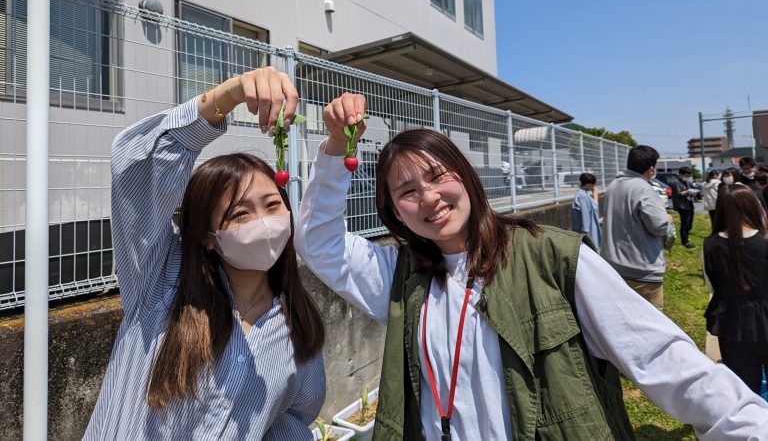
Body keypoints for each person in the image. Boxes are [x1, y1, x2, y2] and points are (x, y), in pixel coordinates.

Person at [295, 93, 768, 441]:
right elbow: (318, 242)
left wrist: (745, 425)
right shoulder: (400, 277)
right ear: (396, 212)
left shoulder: (553, 257)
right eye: (407, 191)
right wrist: (336, 148)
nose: (429, 198)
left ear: (467, 176)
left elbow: (662, 357)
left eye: (438, 176)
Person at [83, 68, 326, 440]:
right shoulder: (161, 284)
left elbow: (288, 423)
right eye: (240, 214)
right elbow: (137, 164)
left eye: (273, 205)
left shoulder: (297, 326)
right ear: (209, 237)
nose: (264, 224)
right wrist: (229, 95)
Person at [704, 183, 768, 395]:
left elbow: (711, 286)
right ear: (753, 207)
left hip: (731, 323)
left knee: (743, 391)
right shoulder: (764, 241)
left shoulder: (710, 245)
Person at [601, 145, 673, 310]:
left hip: (614, 268)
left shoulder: (614, 185)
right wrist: (667, 220)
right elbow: (658, 226)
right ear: (651, 168)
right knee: (650, 326)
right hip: (642, 271)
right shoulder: (643, 188)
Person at [571, 172, 601, 247]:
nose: (594, 186)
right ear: (588, 184)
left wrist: (595, 195)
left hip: (586, 233)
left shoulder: (584, 195)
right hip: (587, 235)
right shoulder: (582, 196)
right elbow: (585, 217)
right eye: (593, 184)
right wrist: (585, 236)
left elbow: (593, 208)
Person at [671, 167, 697, 249]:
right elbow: (678, 194)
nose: (688, 176)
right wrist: (688, 191)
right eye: (687, 175)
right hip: (682, 206)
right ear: (681, 174)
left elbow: (689, 190)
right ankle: (685, 242)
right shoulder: (676, 182)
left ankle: (686, 237)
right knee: (685, 224)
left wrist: (693, 192)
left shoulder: (687, 182)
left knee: (689, 223)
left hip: (689, 204)